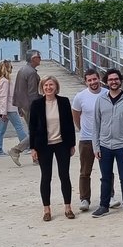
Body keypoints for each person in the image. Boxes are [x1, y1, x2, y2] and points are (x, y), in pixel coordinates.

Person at [91, 68, 123, 217]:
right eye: (110, 79)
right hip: (104, 146)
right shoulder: (101, 100)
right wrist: (96, 146)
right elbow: (96, 124)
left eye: (116, 79)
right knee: (105, 177)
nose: (113, 82)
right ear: (106, 82)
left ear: (121, 81)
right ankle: (103, 206)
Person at [28, 75, 76, 221]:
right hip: (43, 145)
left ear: (56, 87)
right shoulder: (36, 104)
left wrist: (72, 144)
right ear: (42, 88)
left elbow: (69, 123)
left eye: (51, 85)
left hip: (62, 143)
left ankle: (68, 207)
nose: (48, 88)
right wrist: (33, 148)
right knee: (46, 177)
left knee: (64, 175)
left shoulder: (64, 101)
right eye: (46, 86)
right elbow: (32, 127)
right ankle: (47, 209)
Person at [71, 68, 105, 210]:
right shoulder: (80, 97)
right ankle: (85, 199)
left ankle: (110, 195)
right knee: (85, 171)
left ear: (99, 79)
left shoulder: (106, 94)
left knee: (106, 169)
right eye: (89, 80)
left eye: (94, 79)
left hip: (104, 138)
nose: (93, 82)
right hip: (86, 139)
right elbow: (76, 115)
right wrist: (82, 128)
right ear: (86, 82)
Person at [8, 50, 42, 164]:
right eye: (38, 56)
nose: (40, 58)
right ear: (33, 59)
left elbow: (18, 90)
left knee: (35, 131)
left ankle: (36, 157)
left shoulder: (22, 70)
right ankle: (16, 150)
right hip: (31, 106)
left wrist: (18, 106)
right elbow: (32, 93)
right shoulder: (31, 73)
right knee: (37, 132)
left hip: (24, 105)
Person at [0, 60, 25, 156]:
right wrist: (3, 112)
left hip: (4, 109)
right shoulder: (5, 82)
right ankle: (27, 146)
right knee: (19, 127)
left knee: (0, 130)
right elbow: (4, 97)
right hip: (9, 109)